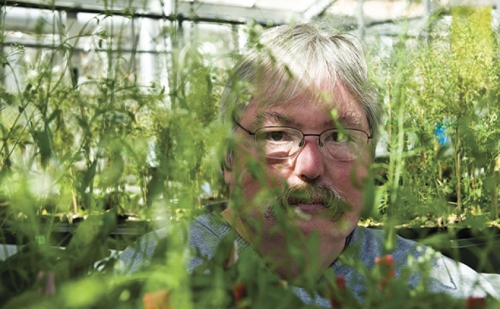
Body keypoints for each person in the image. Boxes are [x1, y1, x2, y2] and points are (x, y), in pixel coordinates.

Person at [119, 23, 498, 306]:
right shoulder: (153, 278)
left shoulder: (416, 276)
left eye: (339, 137)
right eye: (278, 135)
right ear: (228, 157)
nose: (311, 165)